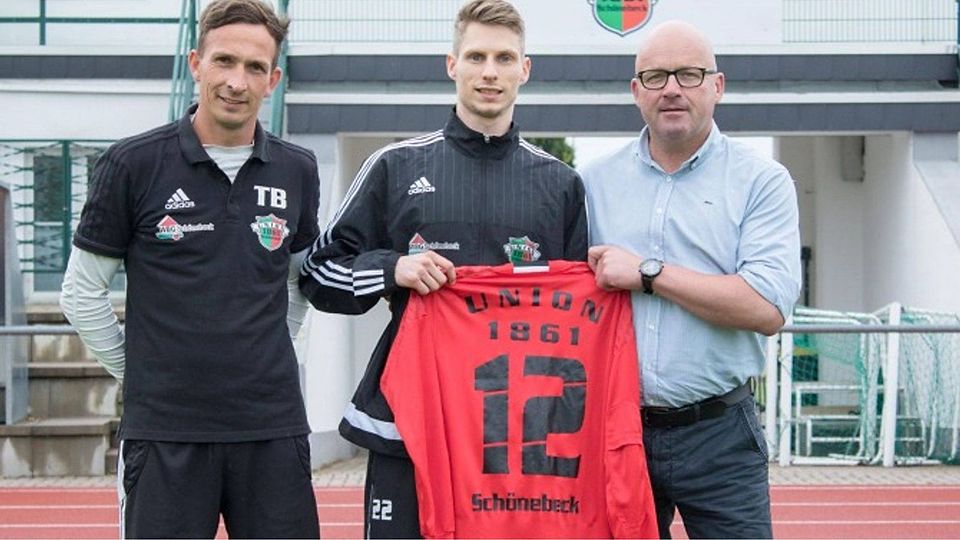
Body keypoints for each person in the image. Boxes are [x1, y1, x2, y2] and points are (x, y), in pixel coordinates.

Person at [299, 1, 588, 537]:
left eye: (504, 58)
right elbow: (317, 273)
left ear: (525, 69)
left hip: (514, 437)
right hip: (410, 421)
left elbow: (581, 322)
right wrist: (392, 269)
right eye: (476, 56)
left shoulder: (561, 184)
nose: (489, 72)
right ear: (452, 64)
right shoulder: (395, 166)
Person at [59, 0, 321, 537]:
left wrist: (270, 351)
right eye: (224, 61)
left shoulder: (297, 169)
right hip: (165, 433)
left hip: (271, 429)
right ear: (196, 63)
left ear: (272, 80)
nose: (236, 82)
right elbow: (81, 295)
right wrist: (140, 374)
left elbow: (299, 282)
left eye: (254, 67)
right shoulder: (132, 164)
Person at [581, 20, 802, 539]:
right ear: (636, 91)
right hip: (617, 430)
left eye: (689, 74)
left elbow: (766, 307)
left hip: (720, 434)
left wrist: (649, 274)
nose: (672, 89)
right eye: (656, 76)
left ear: (717, 85)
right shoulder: (592, 183)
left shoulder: (762, 182)